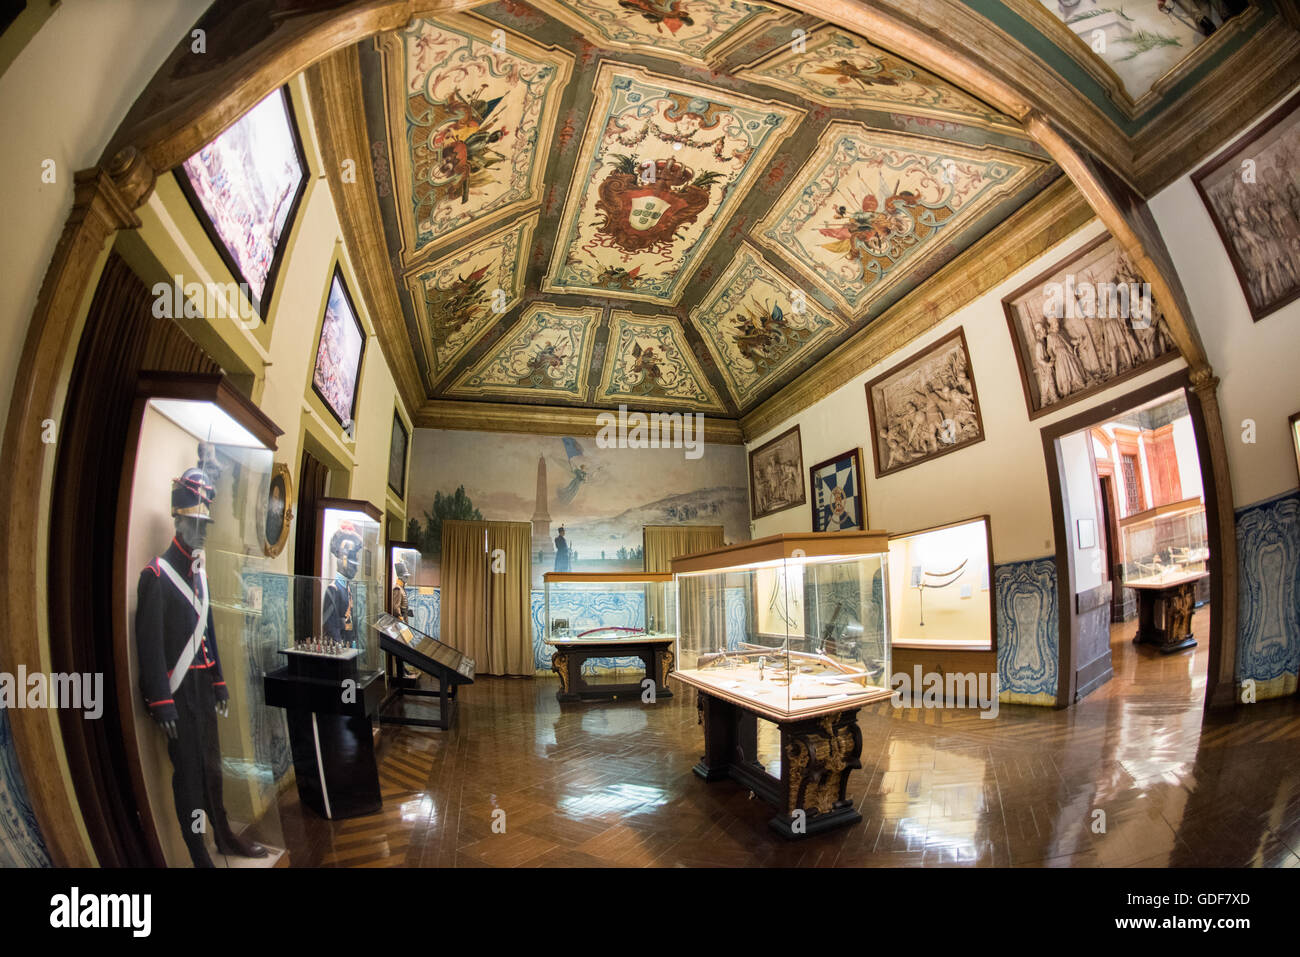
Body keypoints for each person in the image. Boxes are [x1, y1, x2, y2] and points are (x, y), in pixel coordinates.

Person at [136, 467, 268, 867]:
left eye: (205, 523)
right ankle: (198, 852)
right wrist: (162, 703)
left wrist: (220, 682)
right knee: (189, 778)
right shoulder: (156, 576)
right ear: (178, 519)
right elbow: (150, 648)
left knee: (212, 767)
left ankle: (224, 834)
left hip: (203, 691)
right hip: (178, 693)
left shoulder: (199, 575)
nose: (203, 532)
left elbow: (206, 629)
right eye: (196, 523)